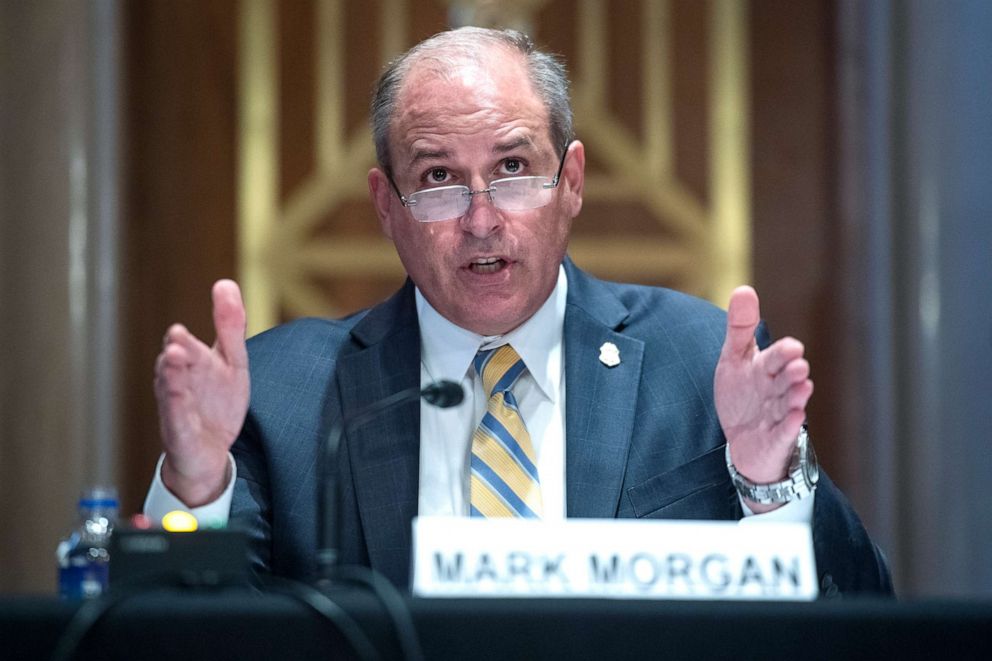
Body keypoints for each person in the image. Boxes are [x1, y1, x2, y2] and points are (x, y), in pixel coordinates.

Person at [146, 27, 892, 595]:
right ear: (386, 204)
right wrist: (196, 489)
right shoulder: (286, 392)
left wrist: (768, 484)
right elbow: (177, 631)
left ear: (571, 180)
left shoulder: (694, 364)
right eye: (439, 177)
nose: (480, 218)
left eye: (512, 168)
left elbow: (862, 615)